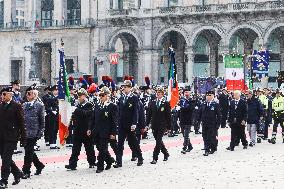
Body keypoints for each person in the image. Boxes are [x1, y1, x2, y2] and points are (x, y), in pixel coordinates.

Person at [113, 80, 143, 168]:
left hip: (130, 125)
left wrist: (134, 123)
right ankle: (119, 162)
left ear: (130, 88)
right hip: (122, 124)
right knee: (120, 144)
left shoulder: (134, 98)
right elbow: (119, 111)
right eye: (123, 87)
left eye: (126, 87)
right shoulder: (122, 98)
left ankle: (140, 157)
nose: (124, 88)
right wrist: (117, 122)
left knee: (133, 142)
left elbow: (135, 112)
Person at [0, 87, 26, 188]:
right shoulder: (1, 106)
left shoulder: (17, 106)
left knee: (6, 159)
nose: (2, 96)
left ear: (10, 95)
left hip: (11, 137)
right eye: (2, 94)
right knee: (5, 158)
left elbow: (21, 123)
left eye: (4, 94)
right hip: (1, 137)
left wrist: (23, 138)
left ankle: (4, 180)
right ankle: (17, 173)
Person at [65, 88, 96, 170]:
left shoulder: (90, 104)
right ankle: (72, 164)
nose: (79, 98)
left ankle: (92, 162)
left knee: (89, 148)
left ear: (85, 96)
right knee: (75, 149)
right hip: (77, 129)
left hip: (86, 130)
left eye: (80, 96)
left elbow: (86, 114)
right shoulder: (77, 105)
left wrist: (76, 110)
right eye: (78, 96)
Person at [92, 87, 117, 173]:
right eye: (100, 95)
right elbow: (93, 118)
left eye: (102, 95)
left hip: (106, 131)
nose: (100, 97)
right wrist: (90, 128)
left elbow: (114, 121)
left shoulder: (112, 106)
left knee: (102, 149)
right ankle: (109, 160)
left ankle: (100, 166)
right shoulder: (97, 104)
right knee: (99, 148)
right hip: (97, 130)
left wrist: (113, 133)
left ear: (107, 96)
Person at [22, 86, 45, 178]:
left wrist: (40, 132)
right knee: (29, 150)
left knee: (28, 152)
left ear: (35, 95)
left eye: (30, 93)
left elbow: (42, 120)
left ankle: (26, 171)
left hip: (34, 132)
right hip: (25, 132)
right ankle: (39, 165)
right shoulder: (24, 105)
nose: (27, 95)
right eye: (27, 93)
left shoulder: (39, 105)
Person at [146, 87, 171, 164]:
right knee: (158, 141)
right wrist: (147, 124)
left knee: (158, 141)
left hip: (162, 125)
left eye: (160, 93)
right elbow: (149, 115)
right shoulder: (153, 102)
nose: (158, 94)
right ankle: (166, 153)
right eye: (157, 93)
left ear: (162, 94)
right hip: (154, 125)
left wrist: (169, 127)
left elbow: (168, 116)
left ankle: (155, 158)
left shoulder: (166, 103)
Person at [199, 91, 220, 156]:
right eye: (207, 95)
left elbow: (219, 115)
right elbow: (200, 113)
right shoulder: (203, 104)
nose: (208, 96)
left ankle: (213, 148)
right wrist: (197, 121)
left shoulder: (215, 104)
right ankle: (206, 149)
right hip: (204, 123)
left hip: (212, 124)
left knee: (211, 137)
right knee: (205, 136)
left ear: (213, 96)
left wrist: (218, 124)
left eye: (210, 95)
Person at [179, 88, 195, 154]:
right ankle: (190, 146)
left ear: (190, 93)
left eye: (187, 92)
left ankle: (184, 148)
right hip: (182, 119)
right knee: (183, 133)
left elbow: (190, 108)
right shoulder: (182, 100)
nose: (186, 93)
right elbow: (180, 108)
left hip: (189, 119)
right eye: (185, 92)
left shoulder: (192, 100)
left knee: (186, 135)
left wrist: (182, 108)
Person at [48, 85, 60, 149]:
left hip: (57, 116)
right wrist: (52, 111)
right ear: (53, 91)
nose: (57, 91)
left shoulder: (59, 98)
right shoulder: (50, 98)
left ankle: (54, 143)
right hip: (52, 116)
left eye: (57, 90)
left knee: (56, 130)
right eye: (55, 90)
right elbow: (47, 106)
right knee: (52, 129)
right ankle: (51, 143)